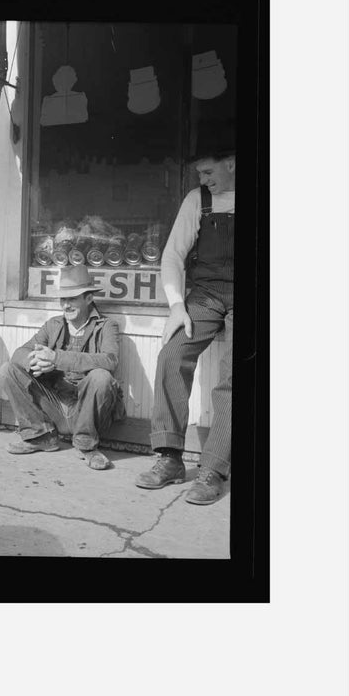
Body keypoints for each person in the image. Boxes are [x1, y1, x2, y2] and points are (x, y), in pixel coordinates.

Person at [135, 148, 235, 503]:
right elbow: (173, 255)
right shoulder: (198, 200)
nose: (203, 180)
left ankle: (212, 470)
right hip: (206, 293)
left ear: (232, 163)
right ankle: (170, 456)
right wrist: (177, 305)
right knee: (171, 355)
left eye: (208, 171)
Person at [2, 264, 124, 470]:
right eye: (63, 299)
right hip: (56, 404)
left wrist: (56, 358)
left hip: (86, 410)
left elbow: (109, 360)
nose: (66, 305)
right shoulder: (53, 325)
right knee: (8, 369)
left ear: (88, 298)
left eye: (72, 299)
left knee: (101, 376)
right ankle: (40, 436)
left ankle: (87, 446)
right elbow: (19, 354)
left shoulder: (107, 326)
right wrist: (37, 362)